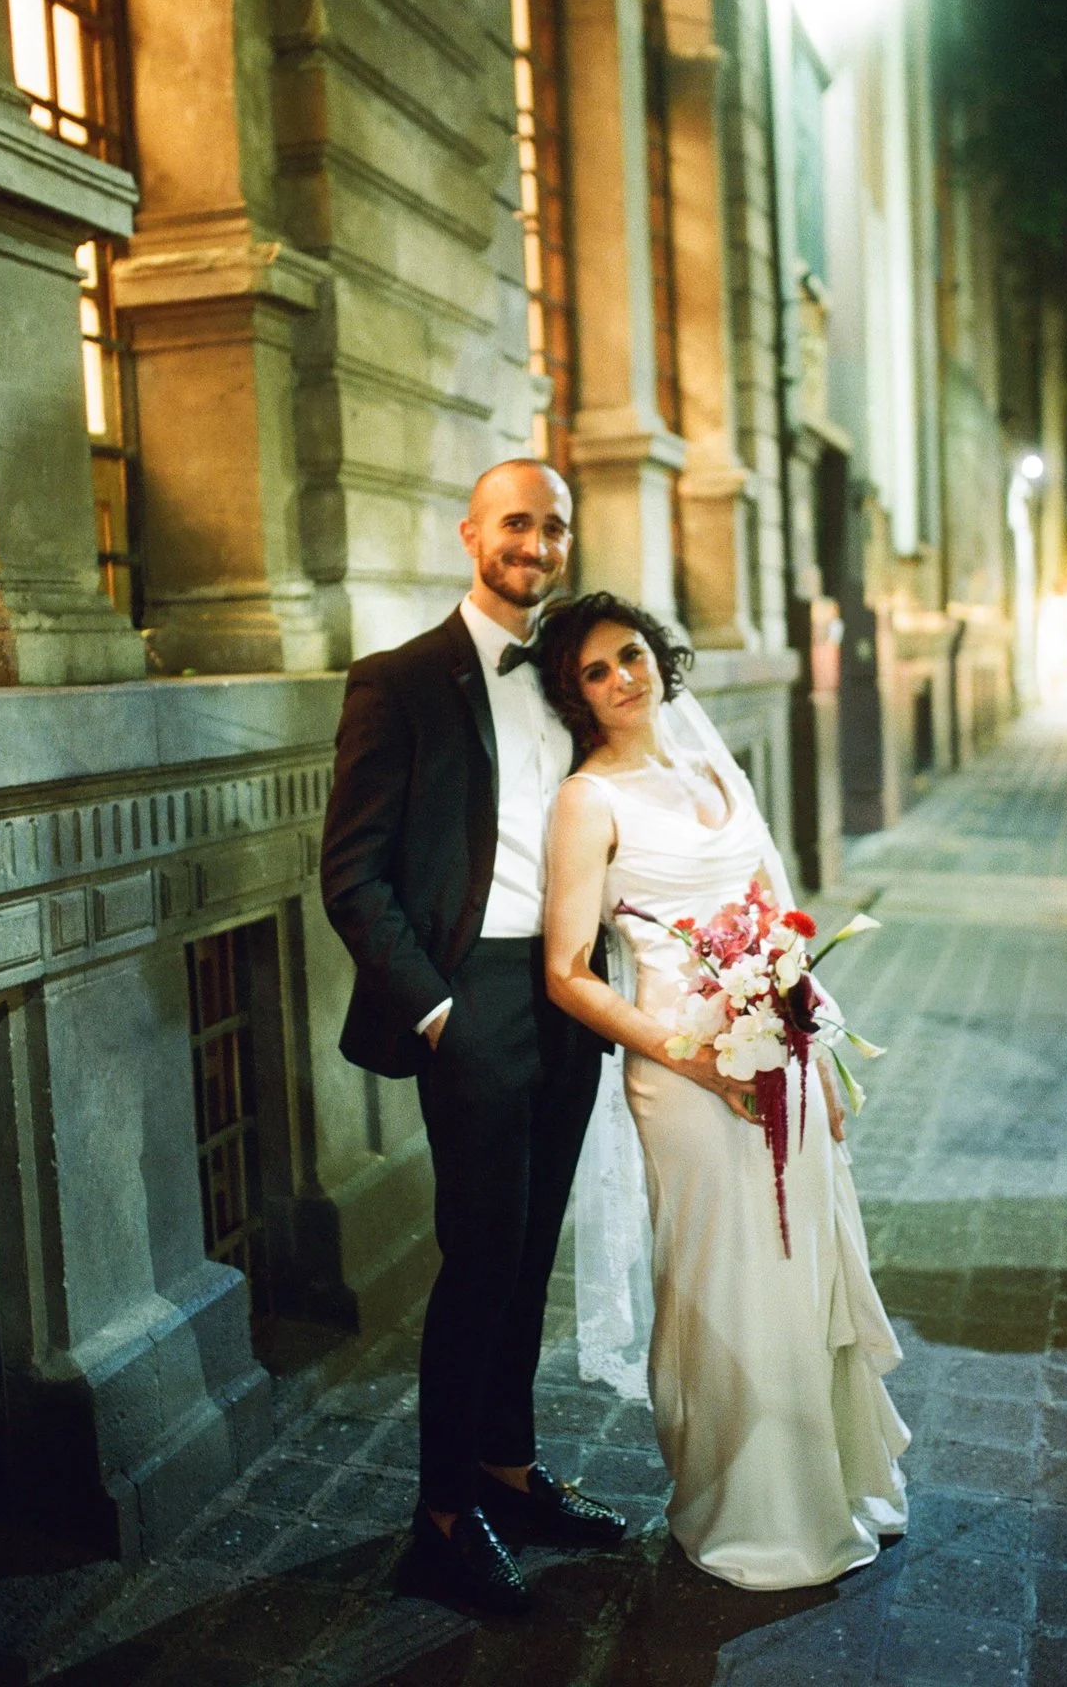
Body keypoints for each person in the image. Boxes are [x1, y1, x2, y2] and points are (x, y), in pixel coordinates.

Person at [540, 591, 909, 1591]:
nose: (625, 677)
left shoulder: (713, 766)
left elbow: (775, 918)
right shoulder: (587, 799)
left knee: (798, 1272)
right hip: (683, 1073)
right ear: (573, 697)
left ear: (660, 656)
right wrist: (688, 1055)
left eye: (632, 654)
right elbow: (567, 972)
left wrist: (816, 1054)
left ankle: (828, 1489)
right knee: (722, 1279)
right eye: (596, 671)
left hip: (776, 1047)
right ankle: (741, 1509)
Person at [320, 464, 625, 1616]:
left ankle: (508, 1470)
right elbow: (349, 874)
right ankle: (442, 1522)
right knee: (479, 1258)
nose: (534, 543)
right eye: (515, 523)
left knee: (532, 1247)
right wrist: (438, 1007)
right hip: (473, 993)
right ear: (470, 534)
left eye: (551, 527)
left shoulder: (574, 675)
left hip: (570, 989)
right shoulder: (397, 682)